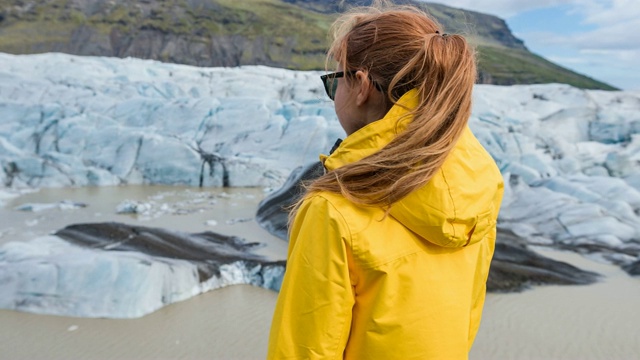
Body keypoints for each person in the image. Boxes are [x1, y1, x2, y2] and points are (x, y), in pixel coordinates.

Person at [267, 2, 504, 359]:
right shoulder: (478, 191)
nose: (336, 95)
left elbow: (306, 350)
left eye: (336, 81)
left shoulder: (335, 211)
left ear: (361, 85)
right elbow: (465, 321)